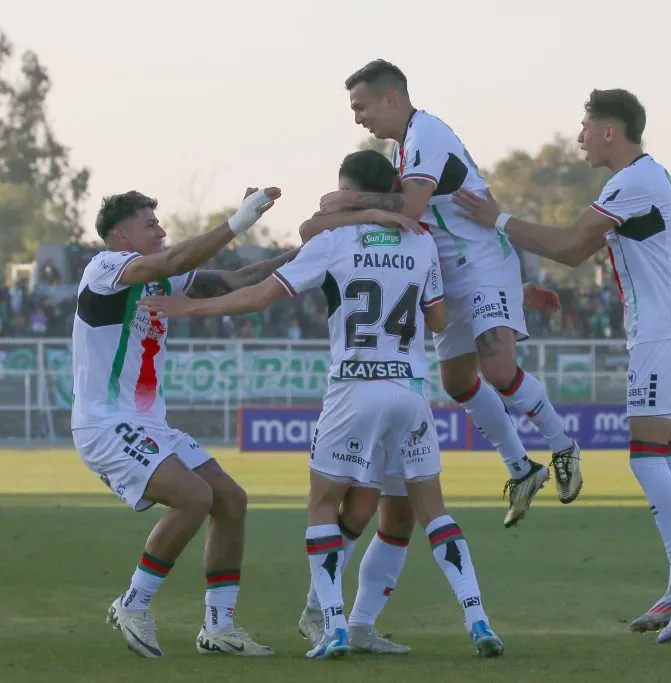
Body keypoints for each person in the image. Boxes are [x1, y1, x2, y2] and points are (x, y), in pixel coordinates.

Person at [139, 149, 504, 659]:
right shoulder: (421, 242)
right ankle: (479, 620)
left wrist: (192, 307)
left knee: (321, 506)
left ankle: (332, 624)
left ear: (346, 191)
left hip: (354, 387)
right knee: (431, 512)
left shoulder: (332, 241)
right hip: (410, 391)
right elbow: (440, 322)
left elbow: (261, 296)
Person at [454, 88, 671, 644]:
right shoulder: (648, 178)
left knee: (647, 461)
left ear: (607, 131)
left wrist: (497, 218)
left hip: (660, 333)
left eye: (584, 126)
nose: (579, 137)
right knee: (667, 460)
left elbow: (572, 244)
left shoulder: (633, 180)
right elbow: (584, 251)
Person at [312, 59, 581, 528]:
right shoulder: (404, 150)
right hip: (453, 276)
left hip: (481, 267)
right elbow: (424, 221)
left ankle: (563, 445)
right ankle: (521, 468)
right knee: (459, 383)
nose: (358, 117)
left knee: (499, 369)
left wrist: (351, 201)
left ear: (391, 98)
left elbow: (413, 207)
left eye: (362, 106)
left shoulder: (427, 135)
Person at [75, 185, 285, 658]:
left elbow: (237, 279)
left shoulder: (161, 280)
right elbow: (169, 263)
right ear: (119, 234)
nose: (162, 231)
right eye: (151, 224)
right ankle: (133, 603)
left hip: (148, 424)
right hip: (105, 423)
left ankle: (219, 627)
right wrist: (239, 221)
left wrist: (309, 249)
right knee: (194, 497)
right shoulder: (105, 268)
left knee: (230, 499)